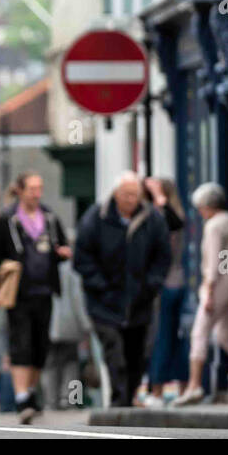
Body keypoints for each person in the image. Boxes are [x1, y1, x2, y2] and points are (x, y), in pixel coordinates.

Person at [73, 171, 171, 408]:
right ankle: (118, 400)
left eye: (135, 195)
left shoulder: (152, 219)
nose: (131, 199)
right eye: (126, 194)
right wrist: (101, 286)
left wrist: (151, 285)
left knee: (137, 354)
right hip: (104, 302)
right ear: (116, 194)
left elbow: (162, 256)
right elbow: (82, 257)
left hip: (140, 301)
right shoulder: (96, 218)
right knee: (114, 352)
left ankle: (128, 399)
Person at [0, 171, 72, 423]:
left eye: (39, 188)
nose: (37, 193)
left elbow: (61, 245)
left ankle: (30, 392)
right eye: (32, 188)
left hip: (45, 290)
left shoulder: (50, 217)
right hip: (18, 293)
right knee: (21, 343)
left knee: (41, 345)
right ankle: (22, 399)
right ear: (19, 190)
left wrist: (62, 253)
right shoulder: (6, 219)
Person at [174, 183, 228, 407]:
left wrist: (209, 289)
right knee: (224, 334)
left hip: (218, 285)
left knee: (199, 332)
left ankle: (194, 385)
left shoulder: (214, 226)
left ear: (207, 205)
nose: (199, 212)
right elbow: (227, 258)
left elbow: (214, 258)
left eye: (200, 207)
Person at [144, 176, 189, 407]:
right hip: (175, 283)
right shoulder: (170, 214)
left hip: (166, 285)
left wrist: (159, 196)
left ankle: (159, 391)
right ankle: (182, 389)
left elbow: (174, 224)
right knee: (175, 336)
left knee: (161, 337)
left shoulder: (167, 216)